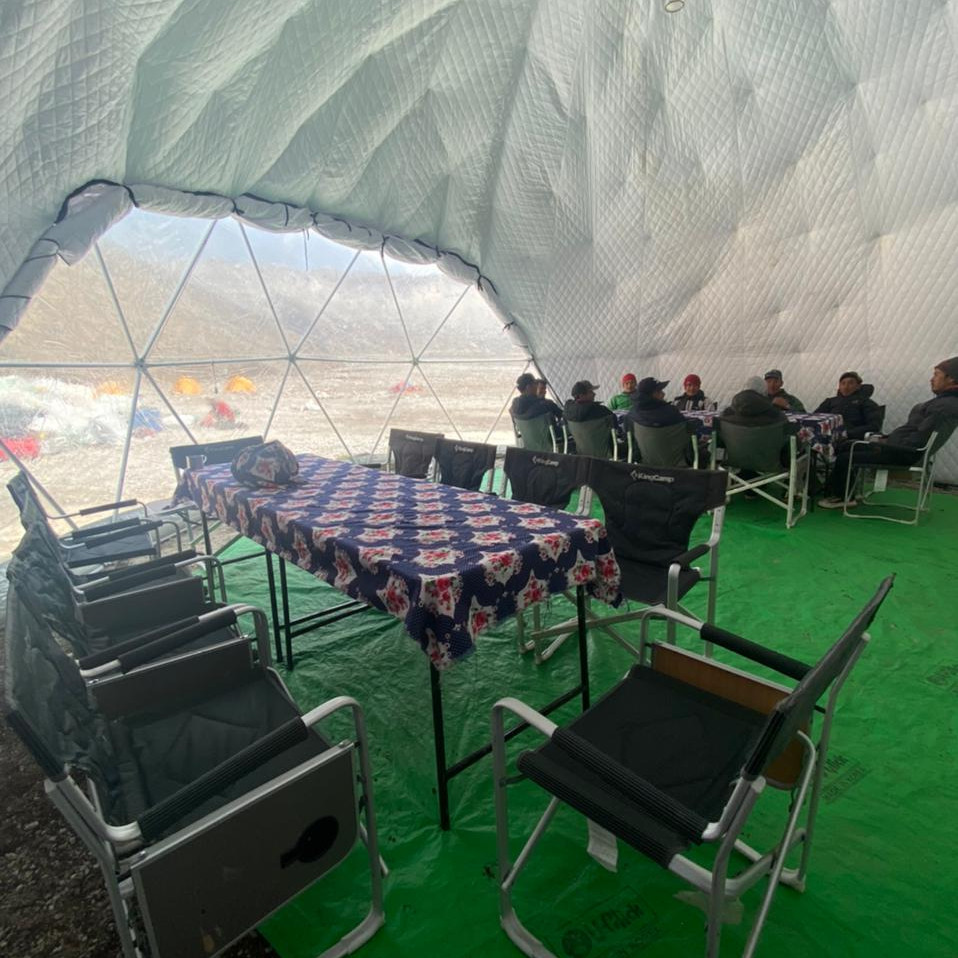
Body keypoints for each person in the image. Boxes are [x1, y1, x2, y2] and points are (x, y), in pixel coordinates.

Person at [818, 358, 958, 508]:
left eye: (936, 375)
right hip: (900, 447)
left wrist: (884, 445)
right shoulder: (943, 403)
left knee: (846, 455)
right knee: (846, 447)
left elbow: (918, 440)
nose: (932, 379)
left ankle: (843, 497)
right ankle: (836, 490)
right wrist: (887, 440)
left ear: (951, 379)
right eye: (843, 383)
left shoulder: (943, 407)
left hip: (903, 453)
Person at [814, 372, 883, 441]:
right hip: (825, 437)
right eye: (843, 383)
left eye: (850, 383)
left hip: (850, 440)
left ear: (858, 386)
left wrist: (847, 433)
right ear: (839, 386)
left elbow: (874, 426)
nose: (846, 386)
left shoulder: (866, 403)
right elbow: (814, 418)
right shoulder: (830, 401)